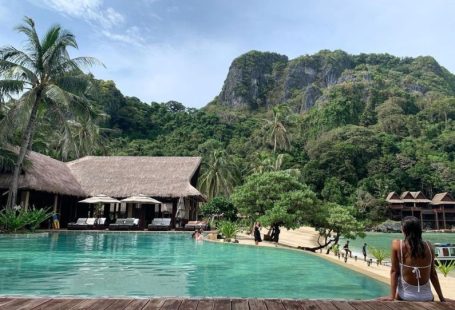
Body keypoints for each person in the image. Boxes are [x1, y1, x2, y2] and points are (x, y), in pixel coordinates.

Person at [380, 216, 445, 302]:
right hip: (427, 297)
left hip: (405, 297)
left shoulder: (397, 245)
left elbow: (394, 272)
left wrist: (392, 296)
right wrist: (441, 298)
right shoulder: (429, 246)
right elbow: (433, 274)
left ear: (404, 229)